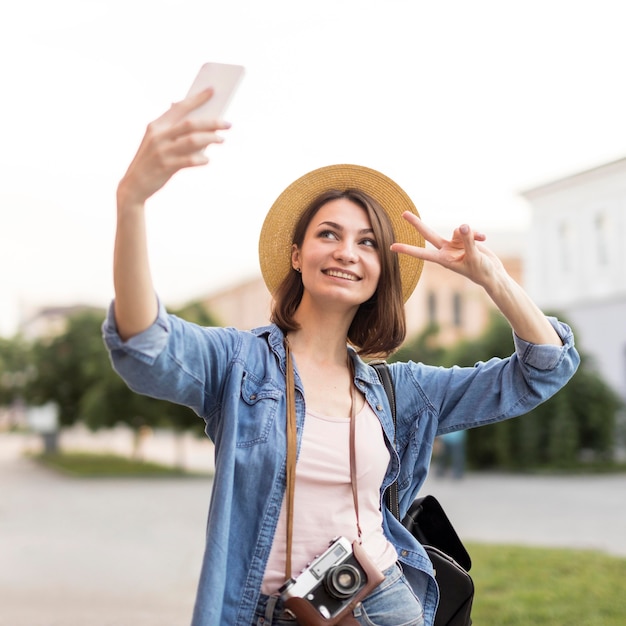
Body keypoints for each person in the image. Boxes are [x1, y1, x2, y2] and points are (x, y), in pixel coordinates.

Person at [102, 87, 580, 626]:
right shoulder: (238, 365)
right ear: (297, 255)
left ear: (380, 270)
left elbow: (542, 370)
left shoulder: (402, 392)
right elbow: (146, 347)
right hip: (272, 613)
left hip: (386, 599)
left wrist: (492, 277)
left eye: (368, 242)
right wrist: (132, 200)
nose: (347, 252)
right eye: (328, 234)